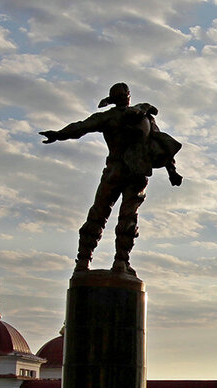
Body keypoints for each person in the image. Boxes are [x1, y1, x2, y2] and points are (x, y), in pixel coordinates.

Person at [40, 82, 183, 275]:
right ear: (129, 96)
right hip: (137, 173)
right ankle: (121, 261)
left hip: (114, 170)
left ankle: (83, 261)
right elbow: (160, 145)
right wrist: (171, 171)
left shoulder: (108, 117)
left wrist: (58, 135)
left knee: (98, 213)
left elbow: (80, 127)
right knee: (128, 217)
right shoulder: (145, 118)